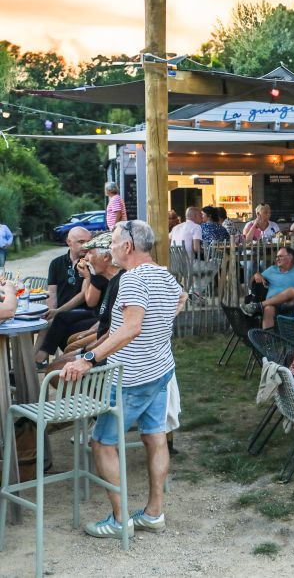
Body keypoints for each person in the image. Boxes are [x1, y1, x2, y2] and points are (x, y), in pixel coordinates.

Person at [60, 219, 186, 539]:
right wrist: (159, 326)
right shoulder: (164, 275)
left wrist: (88, 359)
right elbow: (181, 298)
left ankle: (120, 520)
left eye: (114, 243)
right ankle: (154, 513)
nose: (110, 249)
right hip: (161, 370)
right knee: (155, 437)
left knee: (102, 442)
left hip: (131, 378)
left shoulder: (132, 279)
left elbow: (131, 328)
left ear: (128, 247)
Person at [34, 226, 93, 367]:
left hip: (84, 311)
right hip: (63, 313)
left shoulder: (91, 263)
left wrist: (58, 311)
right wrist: (51, 311)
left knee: (56, 319)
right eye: (81, 242)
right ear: (69, 242)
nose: (86, 246)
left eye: (88, 242)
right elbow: (52, 292)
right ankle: (33, 361)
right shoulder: (56, 263)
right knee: (47, 321)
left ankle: (35, 360)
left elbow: (83, 295)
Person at [64, 232, 123, 354]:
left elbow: (90, 302)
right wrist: (89, 332)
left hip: (111, 350)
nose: (85, 258)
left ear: (106, 257)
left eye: (90, 252)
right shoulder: (112, 280)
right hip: (103, 333)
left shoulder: (120, 282)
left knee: (69, 349)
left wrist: (86, 352)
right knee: (70, 340)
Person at [242, 245, 294, 329]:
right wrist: (256, 275)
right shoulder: (272, 269)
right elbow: (251, 282)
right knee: (268, 309)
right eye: (277, 257)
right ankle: (267, 336)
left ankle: (258, 306)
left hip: (291, 304)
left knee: (292, 291)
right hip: (272, 304)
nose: (277, 259)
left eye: (280, 256)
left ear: (290, 257)